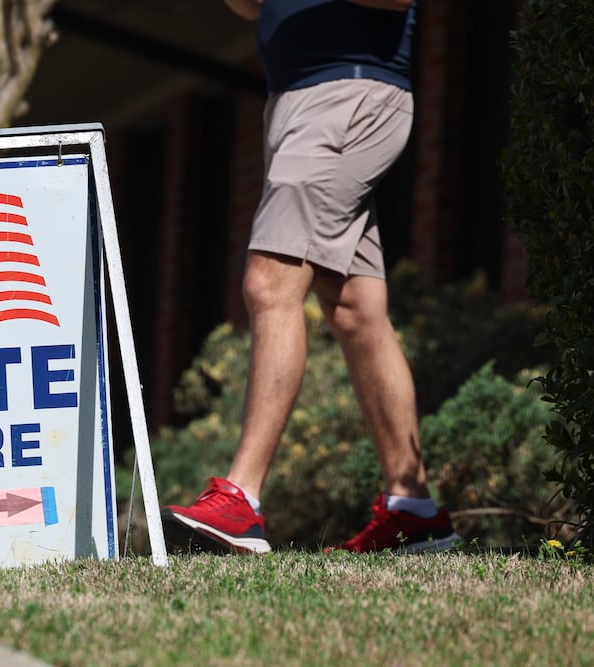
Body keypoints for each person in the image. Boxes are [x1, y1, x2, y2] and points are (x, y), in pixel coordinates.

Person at [161, 0, 461, 554]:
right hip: (296, 101)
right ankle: (414, 508)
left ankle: (242, 499)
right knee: (354, 307)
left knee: (270, 282)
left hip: (349, 94)